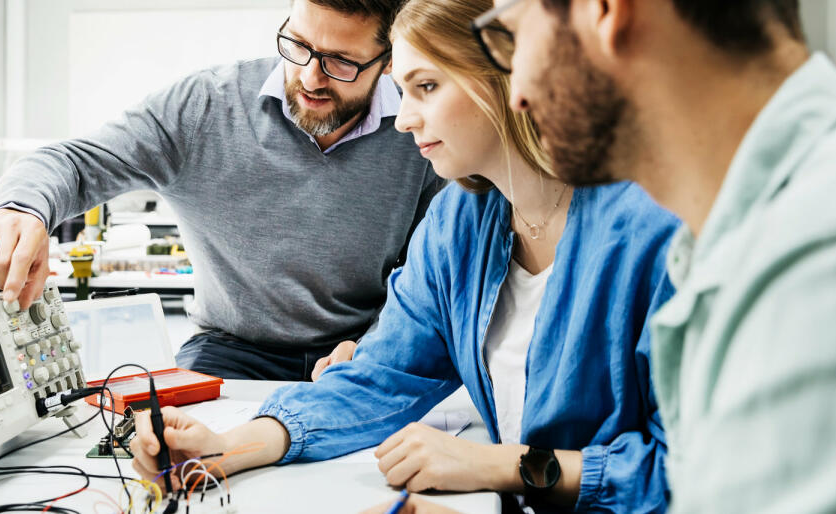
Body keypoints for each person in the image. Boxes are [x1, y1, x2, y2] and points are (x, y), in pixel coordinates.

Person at [129, 0, 680, 511]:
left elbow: (691, 468)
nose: (402, 119)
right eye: (403, 89)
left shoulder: (654, 224)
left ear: (509, 75)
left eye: (426, 86)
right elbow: (381, 379)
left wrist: (506, 466)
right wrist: (222, 450)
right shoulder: (460, 224)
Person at [481, 0, 836, 510]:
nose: (518, 95)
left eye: (512, 36)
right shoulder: (753, 230)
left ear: (605, 12)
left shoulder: (835, 259)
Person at [0, 0, 446, 381]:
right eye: (297, 45)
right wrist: (19, 209)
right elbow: (74, 162)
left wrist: (379, 342)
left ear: (388, 61)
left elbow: (431, 276)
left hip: (363, 346)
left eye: (341, 61)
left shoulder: (420, 131)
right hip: (229, 349)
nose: (310, 77)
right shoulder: (206, 107)